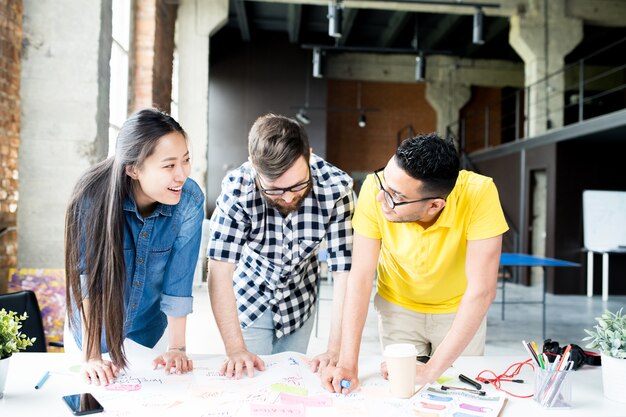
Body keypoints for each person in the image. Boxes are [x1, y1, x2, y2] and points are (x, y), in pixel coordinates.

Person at [321, 133, 508, 393]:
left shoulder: (479, 193)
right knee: (403, 393)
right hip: (398, 309)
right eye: (383, 181)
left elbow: (482, 291)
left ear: (434, 205)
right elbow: (361, 278)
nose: (380, 198)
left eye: (395, 196)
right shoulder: (376, 190)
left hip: (458, 312)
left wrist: (431, 370)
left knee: (457, 390)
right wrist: (347, 362)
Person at [208, 113, 354, 379]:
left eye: (298, 185)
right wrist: (235, 349)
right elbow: (219, 270)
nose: (287, 197)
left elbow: (345, 273)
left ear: (308, 155)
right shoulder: (237, 189)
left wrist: (335, 349)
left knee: (290, 382)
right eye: (274, 189)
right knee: (249, 383)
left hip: (300, 302)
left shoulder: (336, 188)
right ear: (254, 164)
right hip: (250, 298)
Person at [65, 108, 205, 386]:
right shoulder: (91, 199)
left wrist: (177, 349)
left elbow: (179, 282)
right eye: (168, 166)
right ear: (133, 169)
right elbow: (87, 284)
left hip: (148, 333)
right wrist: (91, 356)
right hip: (92, 335)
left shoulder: (189, 200)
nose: (181, 175)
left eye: (185, 161)